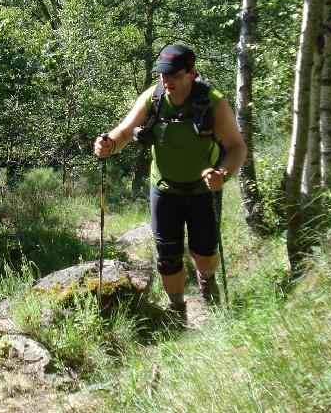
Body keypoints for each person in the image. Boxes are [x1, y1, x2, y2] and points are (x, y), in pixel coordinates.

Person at [94, 44, 246, 320]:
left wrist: (222, 175)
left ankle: (207, 282)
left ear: (191, 73)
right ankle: (178, 311)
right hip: (164, 190)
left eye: (174, 75)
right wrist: (109, 144)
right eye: (163, 75)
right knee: (167, 257)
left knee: (204, 253)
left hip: (204, 190)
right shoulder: (153, 98)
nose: (167, 80)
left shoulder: (213, 102)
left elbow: (237, 147)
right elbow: (124, 132)